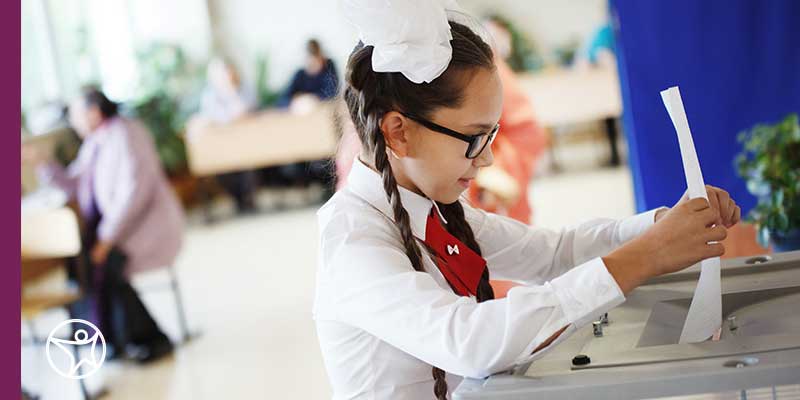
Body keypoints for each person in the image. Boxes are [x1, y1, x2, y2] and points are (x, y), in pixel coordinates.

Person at [314, 3, 741, 399]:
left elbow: (553, 254)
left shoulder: (437, 211)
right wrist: (644, 256)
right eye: (474, 138)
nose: (487, 158)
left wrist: (662, 225)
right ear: (398, 132)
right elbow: (469, 341)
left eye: (492, 135)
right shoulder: (352, 238)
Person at [25, 87, 183, 363]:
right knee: (83, 263)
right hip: (116, 227)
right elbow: (73, 184)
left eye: (76, 114)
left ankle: (147, 338)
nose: (73, 122)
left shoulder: (126, 135)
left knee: (106, 263)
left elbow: (134, 193)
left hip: (142, 226)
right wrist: (43, 163)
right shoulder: (95, 141)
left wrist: (107, 238)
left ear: (94, 112)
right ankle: (108, 337)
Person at [191, 57, 259, 213]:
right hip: (222, 146)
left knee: (249, 165)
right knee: (222, 170)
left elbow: (245, 110)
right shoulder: (210, 95)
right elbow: (217, 117)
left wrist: (232, 93)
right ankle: (238, 200)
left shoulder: (246, 88)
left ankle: (248, 200)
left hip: (248, 141)